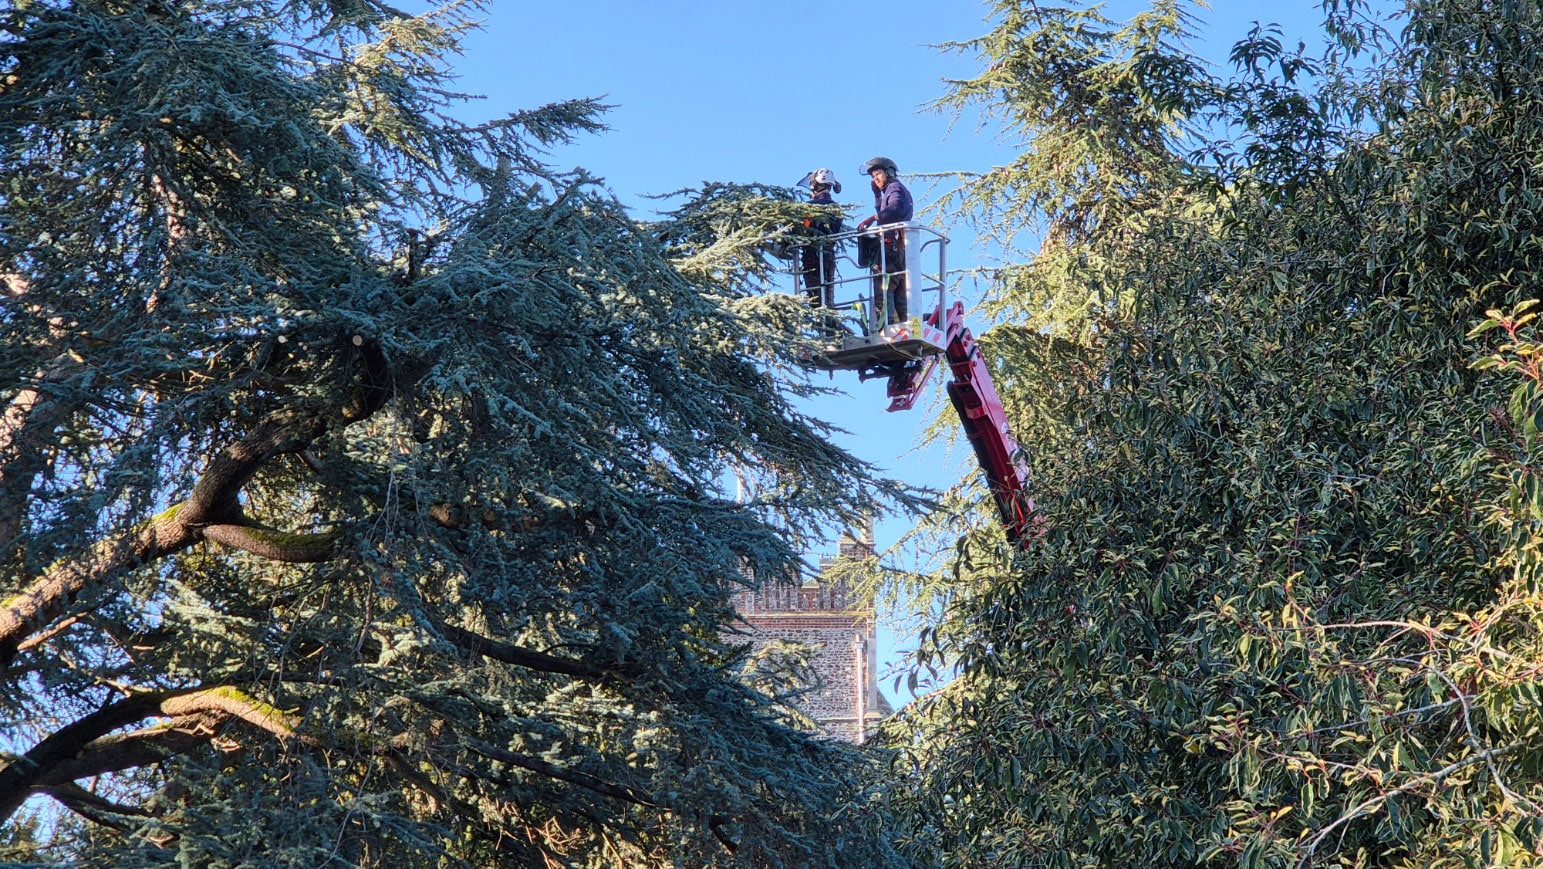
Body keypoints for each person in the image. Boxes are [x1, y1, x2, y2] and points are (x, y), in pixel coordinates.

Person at [856, 156, 913, 327]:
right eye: (874, 176)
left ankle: (885, 327)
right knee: (899, 290)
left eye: (878, 173)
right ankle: (903, 324)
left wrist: (872, 218)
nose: (876, 179)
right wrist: (877, 196)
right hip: (897, 248)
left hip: (890, 248)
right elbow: (885, 213)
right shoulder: (892, 190)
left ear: (889, 172)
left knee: (884, 287)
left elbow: (892, 211)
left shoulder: (895, 188)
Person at [795, 168, 843, 309]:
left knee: (816, 301)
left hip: (812, 258)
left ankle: (825, 323)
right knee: (828, 296)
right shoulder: (836, 208)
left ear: (815, 185)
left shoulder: (809, 207)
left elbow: (801, 230)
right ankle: (830, 325)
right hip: (829, 257)